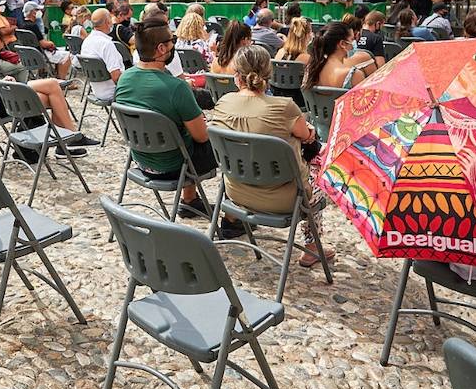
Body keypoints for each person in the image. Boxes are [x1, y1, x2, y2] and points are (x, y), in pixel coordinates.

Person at [212, 45, 332, 264]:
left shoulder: (223, 103)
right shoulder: (284, 107)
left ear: (236, 75)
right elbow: (307, 137)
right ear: (269, 73)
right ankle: (312, 245)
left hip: (237, 192)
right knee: (320, 166)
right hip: (284, 199)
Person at [114, 15, 218, 216]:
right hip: (173, 164)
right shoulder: (177, 88)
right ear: (161, 49)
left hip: (141, 159)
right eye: (173, 41)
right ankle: (234, 217)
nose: (174, 45)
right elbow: (202, 137)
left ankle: (190, 200)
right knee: (225, 144)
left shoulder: (125, 78)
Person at [305, 22, 376, 89]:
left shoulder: (311, 71)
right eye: (352, 39)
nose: (354, 43)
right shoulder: (354, 75)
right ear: (342, 44)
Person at [79, 7, 125, 103]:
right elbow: (116, 77)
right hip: (114, 92)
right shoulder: (106, 44)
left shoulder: (87, 41)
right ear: (108, 22)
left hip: (97, 91)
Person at [18, 2, 73, 79]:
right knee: (67, 56)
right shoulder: (33, 26)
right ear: (32, 12)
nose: (40, 12)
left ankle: (55, 76)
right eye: (37, 10)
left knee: (59, 53)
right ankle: (62, 80)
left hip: (29, 55)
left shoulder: (21, 25)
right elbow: (43, 44)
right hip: (40, 54)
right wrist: (51, 43)